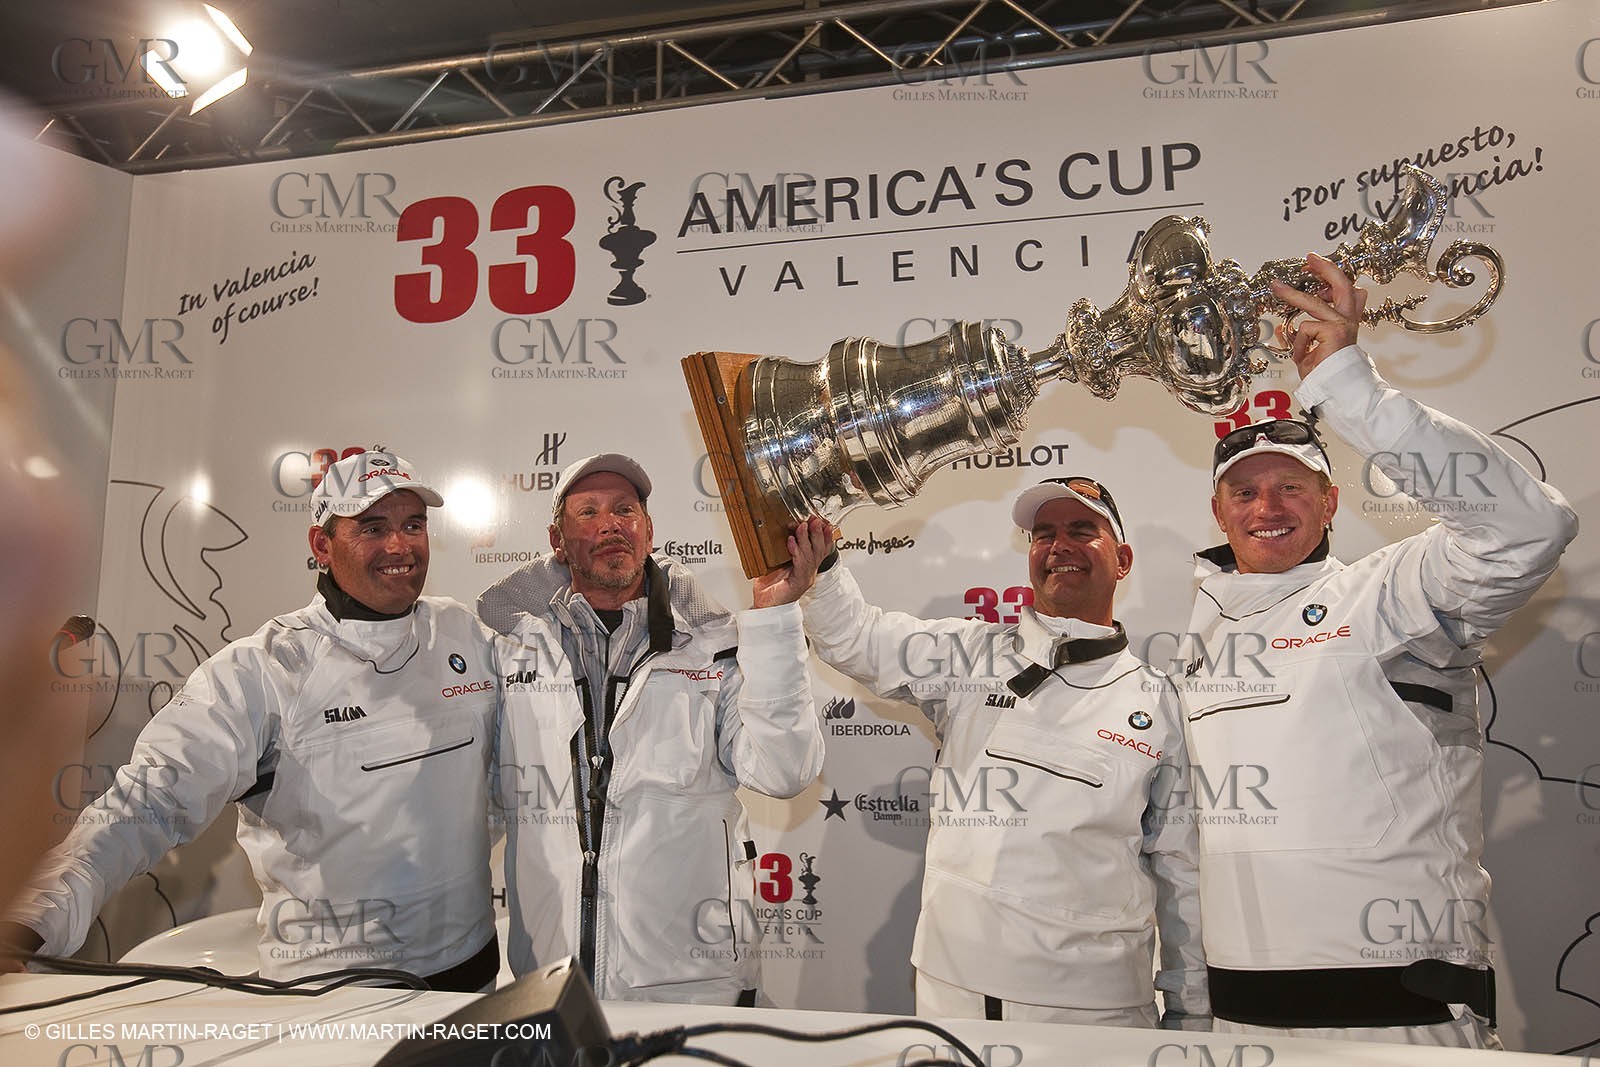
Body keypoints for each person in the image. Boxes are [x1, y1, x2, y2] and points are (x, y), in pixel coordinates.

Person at [1183, 254, 1579, 1047]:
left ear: (1331, 500)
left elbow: (1527, 529)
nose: (1268, 505)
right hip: (1237, 1025)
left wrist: (1346, 386)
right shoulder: (1195, 646)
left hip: (1400, 1024)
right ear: (1219, 511)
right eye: (1246, 490)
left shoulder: (1391, 591)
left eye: (1292, 485)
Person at [1, 450, 503, 991]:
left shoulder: (464, 633)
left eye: (413, 525)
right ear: (321, 546)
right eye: (372, 527)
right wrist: (25, 924)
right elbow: (145, 804)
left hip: (470, 975)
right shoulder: (260, 670)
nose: (400, 546)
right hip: (330, 991)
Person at [789, 479, 1209, 1027]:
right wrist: (821, 569)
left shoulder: (1159, 700)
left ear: (1123, 560)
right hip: (951, 992)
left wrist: (1190, 1013)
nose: (1059, 545)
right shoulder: (968, 652)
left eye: (1083, 530)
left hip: (1095, 1011)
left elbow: (1182, 874)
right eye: (1044, 534)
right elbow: (853, 637)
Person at [478, 453, 823, 1004]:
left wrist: (777, 620)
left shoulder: (718, 644)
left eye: (625, 509)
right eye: (587, 511)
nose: (611, 523)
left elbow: (784, 771)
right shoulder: (510, 652)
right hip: (549, 983)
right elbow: (481, 803)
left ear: (648, 530)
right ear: (558, 540)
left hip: (692, 985)